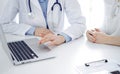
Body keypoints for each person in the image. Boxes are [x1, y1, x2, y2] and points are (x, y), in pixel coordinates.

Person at [0, 0, 86, 46]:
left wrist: (62, 36)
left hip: (56, 45)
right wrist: (32, 30)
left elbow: (79, 23)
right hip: (29, 44)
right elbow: (3, 24)